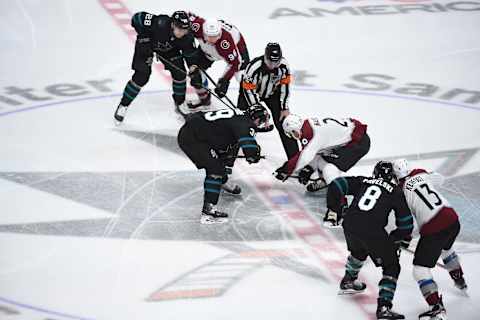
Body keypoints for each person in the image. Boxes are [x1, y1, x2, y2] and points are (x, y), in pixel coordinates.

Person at [327, 161, 414, 320]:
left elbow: (336, 184)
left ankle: (349, 279)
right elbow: (406, 223)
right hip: (372, 231)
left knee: (359, 250)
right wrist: (395, 239)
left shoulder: (363, 181)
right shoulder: (395, 191)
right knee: (392, 266)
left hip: (350, 224)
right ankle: (384, 307)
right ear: (393, 177)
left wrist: (335, 209)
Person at [391, 158, 467, 320]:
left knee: (420, 270)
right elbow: (440, 179)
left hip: (434, 228)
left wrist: (403, 239)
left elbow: (406, 221)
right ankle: (459, 278)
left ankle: (437, 308)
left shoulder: (400, 191)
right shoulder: (420, 173)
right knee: (446, 248)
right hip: (452, 219)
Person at [177, 104, 268, 224]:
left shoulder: (239, 115)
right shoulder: (245, 124)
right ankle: (208, 212)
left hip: (195, 132)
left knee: (219, 159)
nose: (260, 125)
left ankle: (223, 182)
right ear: (256, 118)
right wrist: (253, 155)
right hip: (193, 138)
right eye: (261, 122)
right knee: (214, 170)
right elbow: (249, 149)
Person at [274, 114, 370, 226]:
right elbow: (317, 150)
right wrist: (309, 168)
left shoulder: (309, 133)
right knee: (322, 161)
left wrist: (285, 170)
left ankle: (339, 206)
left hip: (357, 142)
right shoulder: (308, 125)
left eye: (293, 133)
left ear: (295, 128)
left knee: (330, 169)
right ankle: (326, 181)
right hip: (352, 138)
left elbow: (304, 157)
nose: (295, 136)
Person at [114, 11, 202, 124]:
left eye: (185, 30)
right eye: (179, 29)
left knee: (180, 74)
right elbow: (137, 18)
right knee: (141, 77)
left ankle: (180, 103)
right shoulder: (160, 23)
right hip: (147, 47)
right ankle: (123, 105)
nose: (182, 33)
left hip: (170, 51)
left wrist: (194, 71)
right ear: (172, 24)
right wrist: (144, 38)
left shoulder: (187, 37)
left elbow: (191, 57)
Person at [237, 42, 299, 159]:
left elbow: (285, 87)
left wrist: (284, 108)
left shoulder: (284, 66)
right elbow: (249, 90)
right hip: (250, 91)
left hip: (272, 93)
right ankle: (234, 149)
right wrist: (257, 108)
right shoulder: (253, 67)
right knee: (241, 120)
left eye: (276, 62)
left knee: (284, 123)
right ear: (265, 57)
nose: (273, 65)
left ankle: (294, 159)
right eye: (270, 62)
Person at [186, 13, 250, 108]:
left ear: (219, 33)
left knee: (243, 78)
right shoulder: (197, 26)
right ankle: (204, 99)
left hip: (236, 52)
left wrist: (224, 81)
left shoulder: (225, 43)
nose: (212, 40)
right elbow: (186, 17)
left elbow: (234, 64)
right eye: (209, 36)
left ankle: (247, 107)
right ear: (203, 32)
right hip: (207, 50)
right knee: (195, 75)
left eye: (215, 36)